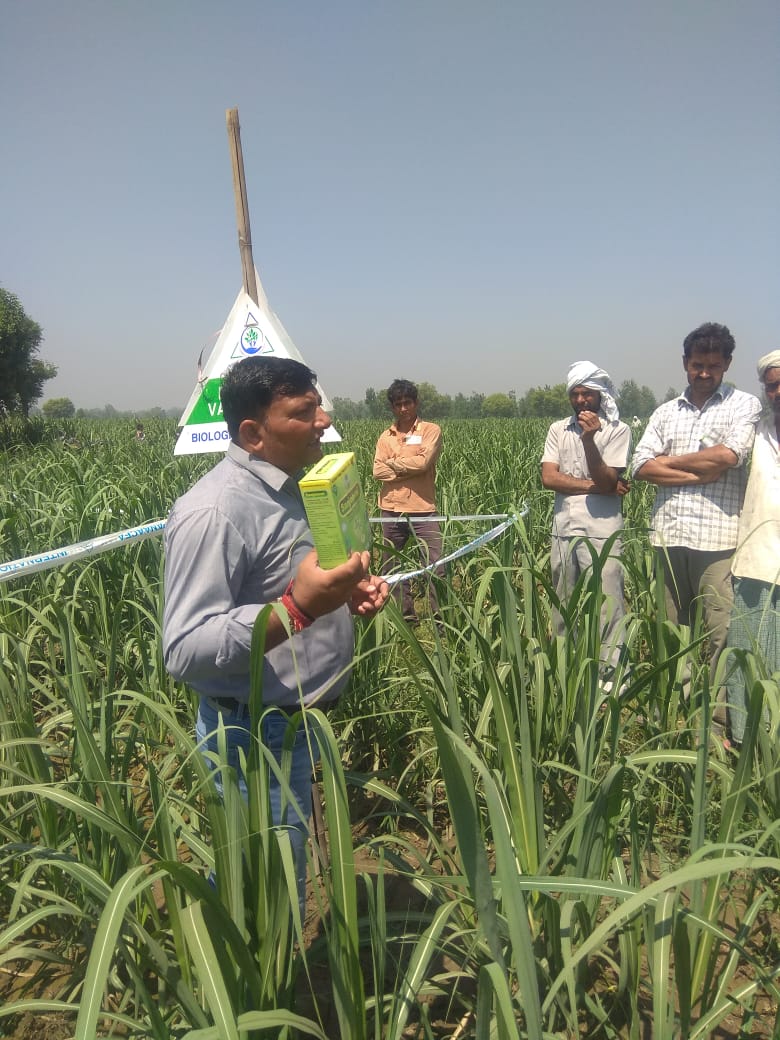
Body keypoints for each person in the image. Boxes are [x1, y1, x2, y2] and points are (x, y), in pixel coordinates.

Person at [163, 356, 388, 906]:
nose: (322, 422)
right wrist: (299, 608)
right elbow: (185, 649)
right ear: (252, 432)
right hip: (252, 736)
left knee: (279, 872)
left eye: (319, 407)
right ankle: (232, 985)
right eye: (303, 412)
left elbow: (296, 583)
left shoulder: (295, 488)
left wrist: (343, 593)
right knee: (262, 887)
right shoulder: (215, 511)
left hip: (296, 725)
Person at [632, 323, 762, 718]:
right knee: (674, 628)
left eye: (714, 366)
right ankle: (678, 709)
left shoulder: (744, 405)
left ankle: (719, 721)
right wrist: (697, 471)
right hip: (669, 535)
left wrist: (666, 462)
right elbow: (639, 466)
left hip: (718, 538)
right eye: (697, 365)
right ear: (685, 363)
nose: (705, 373)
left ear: (727, 365)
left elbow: (729, 456)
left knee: (720, 630)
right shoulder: (665, 412)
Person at [541, 362, 631, 682]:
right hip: (564, 525)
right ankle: (567, 669)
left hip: (602, 529)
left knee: (608, 600)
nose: (581, 401)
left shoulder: (617, 430)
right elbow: (549, 478)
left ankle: (611, 677)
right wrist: (595, 487)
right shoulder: (557, 430)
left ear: (599, 395)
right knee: (563, 598)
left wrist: (591, 441)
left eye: (587, 394)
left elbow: (609, 480)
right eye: (575, 394)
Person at [725, 350, 780, 745]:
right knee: (748, 653)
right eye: (773, 385)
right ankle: (746, 740)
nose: (779, 391)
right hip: (757, 558)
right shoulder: (755, 431)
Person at [373, 379, 443, 623]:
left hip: (423, 509)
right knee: (392, 567)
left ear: (416, 403)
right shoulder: (386, 436)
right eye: (398, 404)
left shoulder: (430, 430)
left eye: (407, 403)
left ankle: (440, 621)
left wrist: (393, 464)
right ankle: (406, 618)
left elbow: (424, 463)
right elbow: (377, 471)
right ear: (392, 407)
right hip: (390, 509)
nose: (403, 408)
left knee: (437, 565)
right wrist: (406, 468)